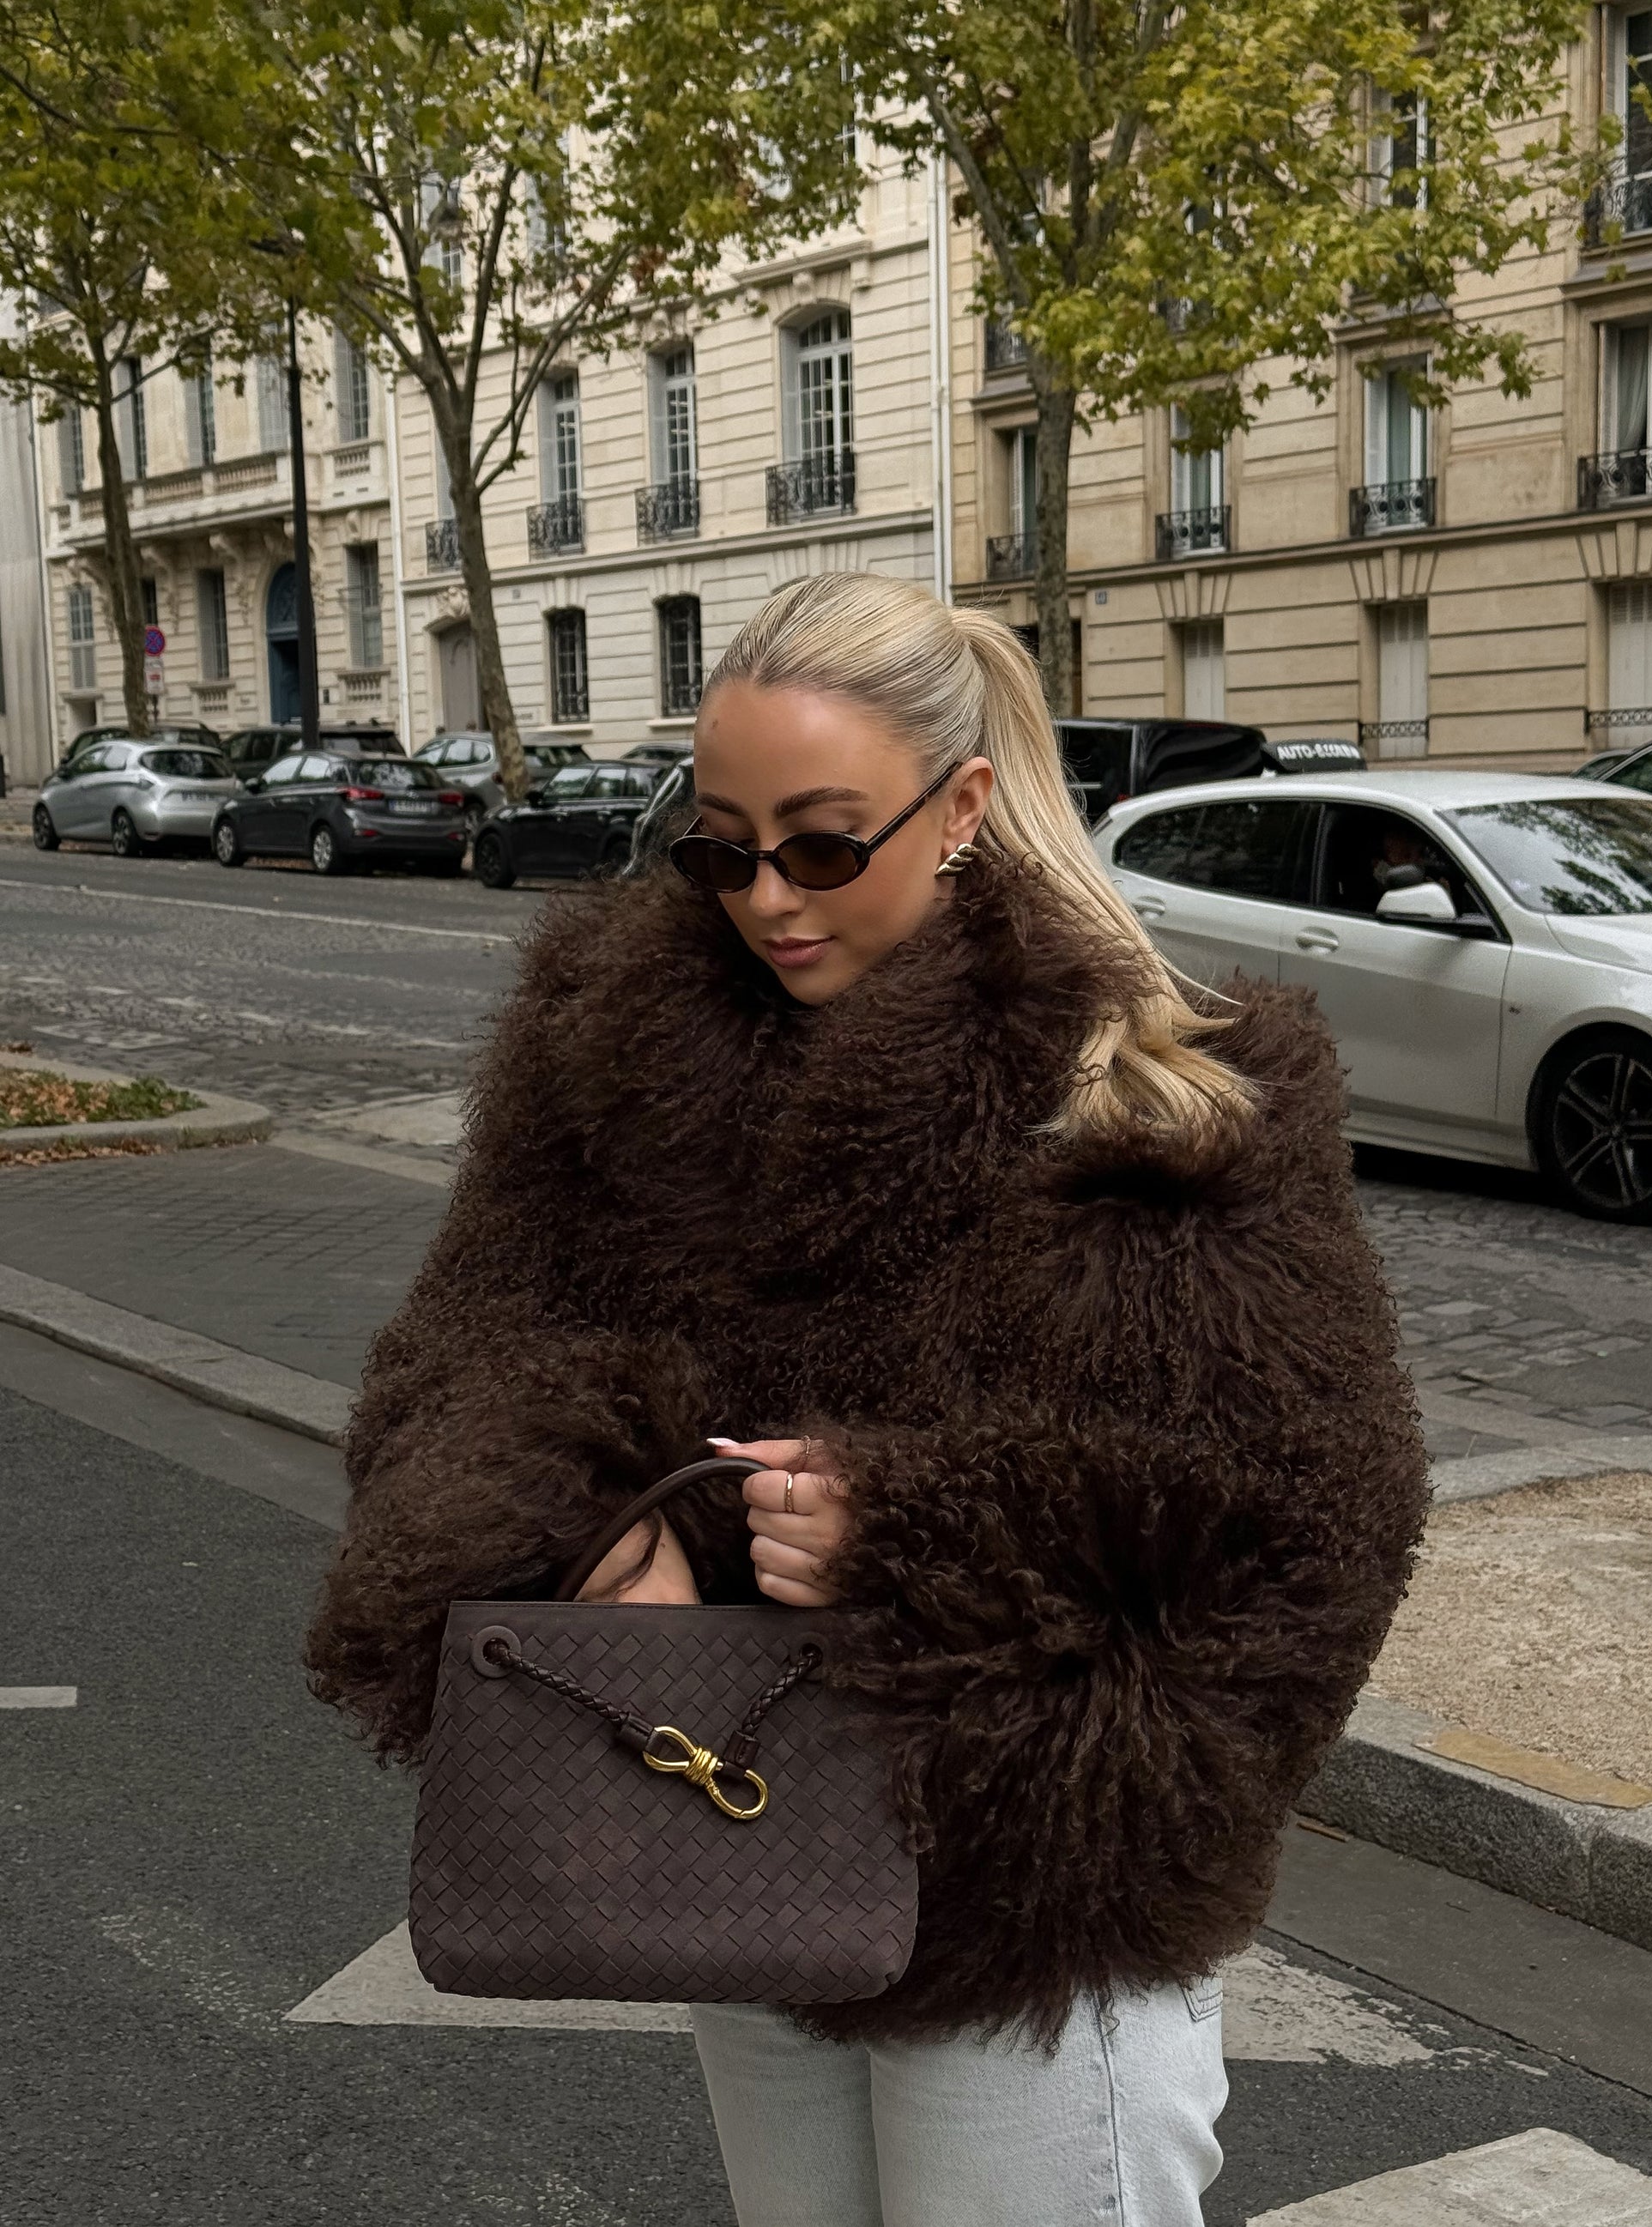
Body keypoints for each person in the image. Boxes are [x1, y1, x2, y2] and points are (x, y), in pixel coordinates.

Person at [305, 573, 1427, 2227]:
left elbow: (1307, 1512)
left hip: (1039, 1884)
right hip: (743, 1804)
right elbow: (463, 1355)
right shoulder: (611, 1051)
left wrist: (914, 1535)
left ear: (960, 806)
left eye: (823, 847)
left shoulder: (1170, 1091)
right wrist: (582, 1520)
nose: (765, 898)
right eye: (721, 849)